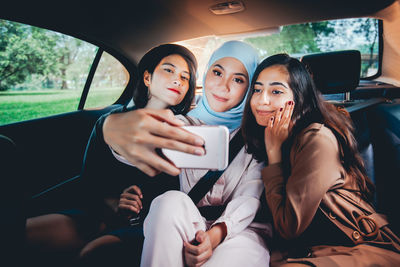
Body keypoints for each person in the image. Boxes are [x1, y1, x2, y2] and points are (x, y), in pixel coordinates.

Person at [25, 43, 199, 266]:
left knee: (93, 254)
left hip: (147, 227)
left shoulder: (187, 131)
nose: (178, 80)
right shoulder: (109, 122)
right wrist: (115, 204)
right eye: (169, 70)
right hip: (98, 216)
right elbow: (88, 183)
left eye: (185, 77)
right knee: (22, 234)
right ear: (148, 78)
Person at [241, 53, 400, 266]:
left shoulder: (316, 139)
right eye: (258, 90)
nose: (262, 100)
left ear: (299, 97)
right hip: (310, 247)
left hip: (357, 246)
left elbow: (288, 227)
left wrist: (274, 153)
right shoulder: (269, 133)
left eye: (276, 91)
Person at [134, 40, 272, 267]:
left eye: (238, 79)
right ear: (206, 74)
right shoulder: (178, 122)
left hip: (241, 231)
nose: (224, 85)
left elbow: (250, 197)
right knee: (168, 202)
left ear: (249, 89)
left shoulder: (258, 134)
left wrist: (216, 234)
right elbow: (140, 148)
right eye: (217, 72)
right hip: (190, 220)